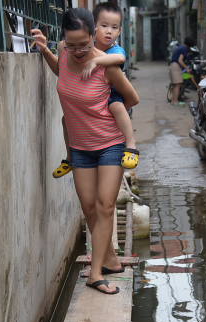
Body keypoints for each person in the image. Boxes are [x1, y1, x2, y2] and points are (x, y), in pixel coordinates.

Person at [32, 8, 140, 294]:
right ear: (63, 39)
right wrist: (45, 50)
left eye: (84, 44)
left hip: (110, 145)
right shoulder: (63, 52)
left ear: (94, 36)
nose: (78, 51)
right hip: (79, 148)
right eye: (72, 44)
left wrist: (107, 110)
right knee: (89, 208)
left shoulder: (107, 66)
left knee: (105, 206)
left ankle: (95, 273)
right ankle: (112, 261)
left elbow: (132, 98)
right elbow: (62, 72)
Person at [44, 2, 138, 179]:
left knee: (116, 106)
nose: (109, 31)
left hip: (112, 92)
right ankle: (69, 158)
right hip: (82, 141)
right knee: (67, 120)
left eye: (114, 27)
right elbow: (62, 71)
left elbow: (119, 59)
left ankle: (131, 145)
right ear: (94, 29)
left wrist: (96, 61)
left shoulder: (113, 50)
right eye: (104, 25)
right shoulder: (74, 47)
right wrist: (44, 50)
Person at [169, 36, 195, 106]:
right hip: (176, 66)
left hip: (173, 65)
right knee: (178, 84)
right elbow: (180, 60)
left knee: (177, 84)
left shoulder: (180, 47)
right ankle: (175, 101)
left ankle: (173, 100)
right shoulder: (184, 49)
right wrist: (186, 68)